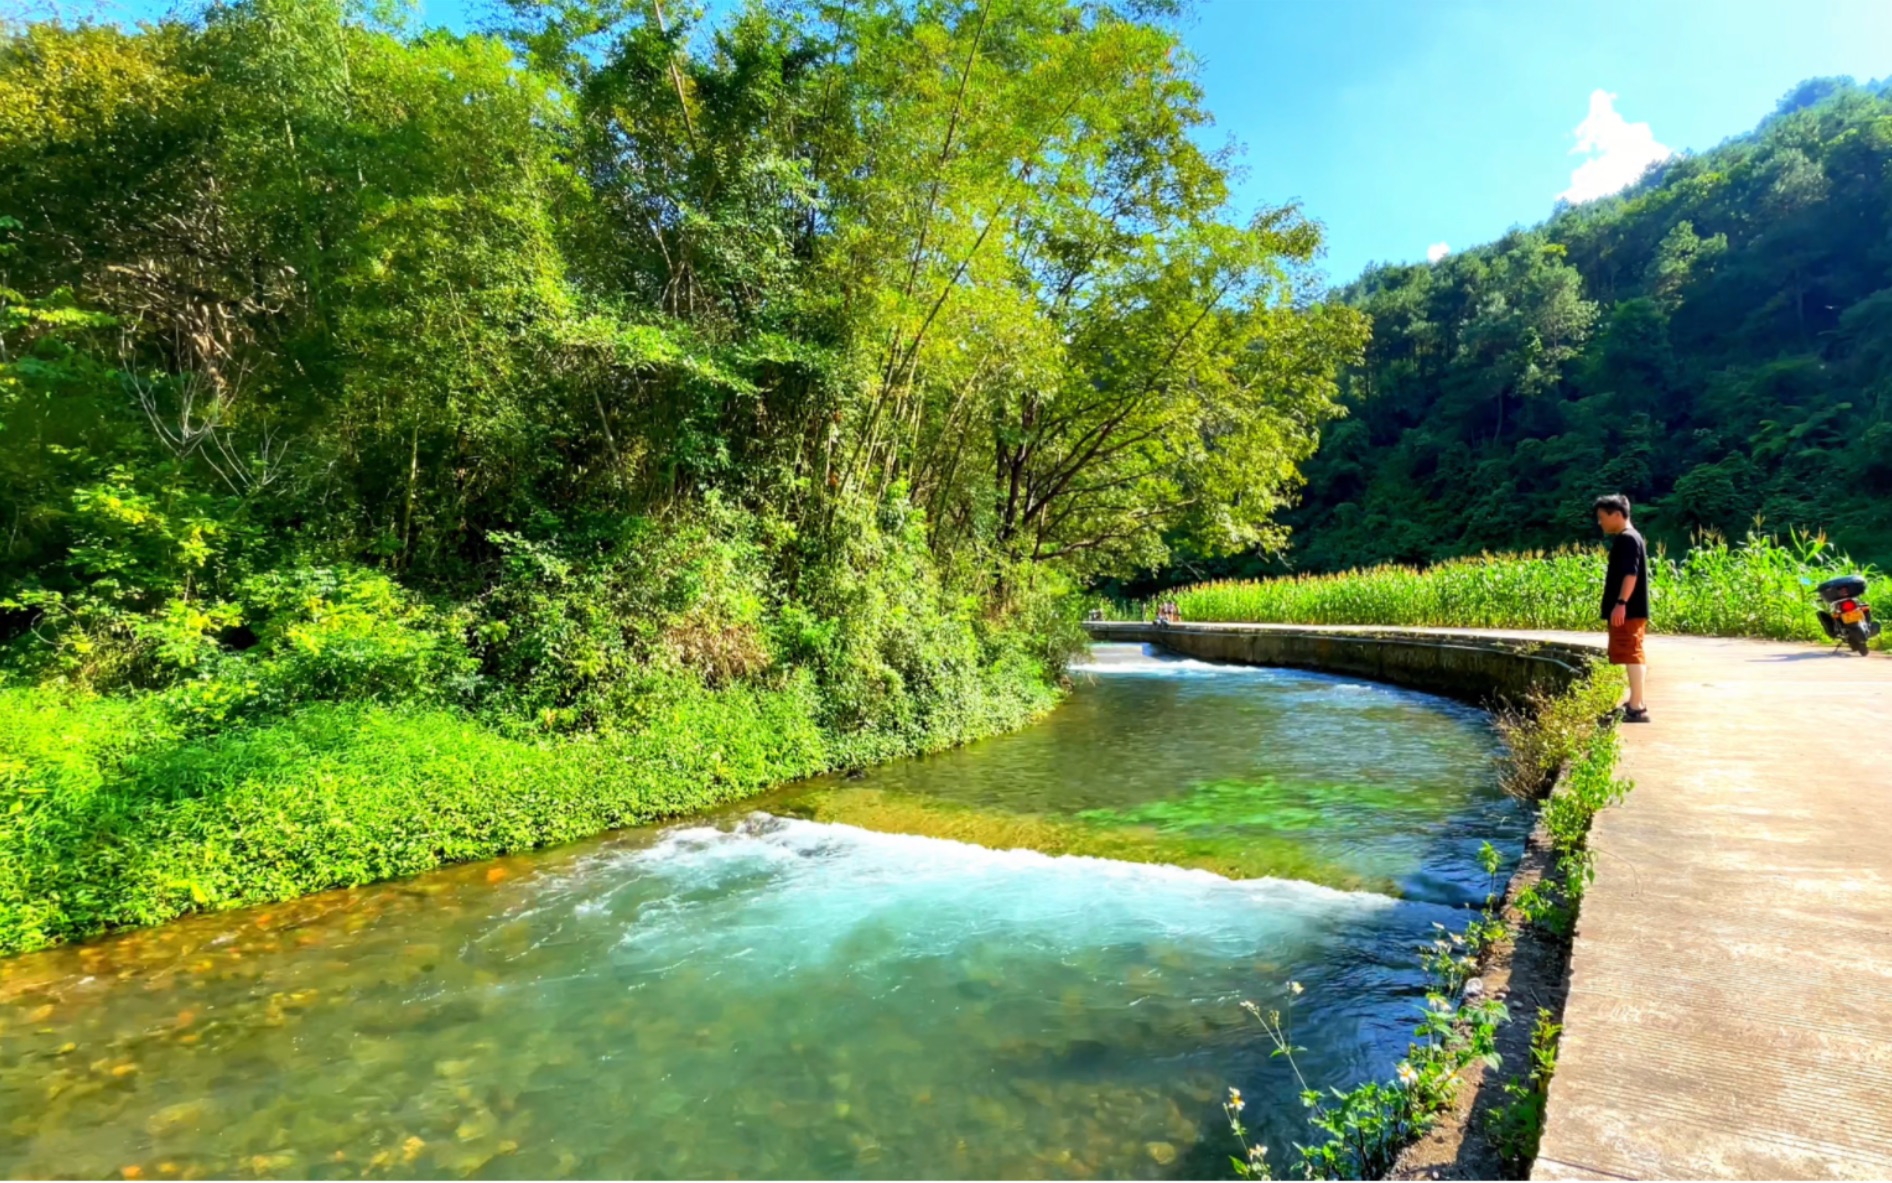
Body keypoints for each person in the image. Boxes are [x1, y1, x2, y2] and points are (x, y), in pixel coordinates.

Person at [1594, 493, 1650, 722]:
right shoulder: (1631, 537)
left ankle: (1637, 707)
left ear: (1617, 514)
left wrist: (1621, 603)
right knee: (1632, 653)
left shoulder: (1627, 539)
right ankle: (1636, 702)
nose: (1600, 522)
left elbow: (1630, 573)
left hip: (1629, 609)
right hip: (1631, 608)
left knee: (1632, 653)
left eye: (1602, 517)